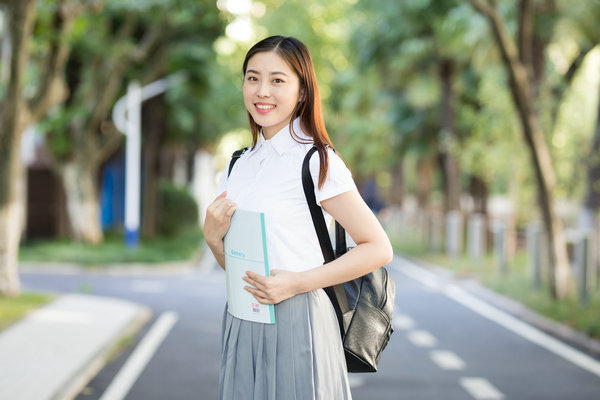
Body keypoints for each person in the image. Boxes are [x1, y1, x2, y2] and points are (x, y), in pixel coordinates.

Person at [203, 35, 393, 400]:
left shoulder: (317, 161)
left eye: (278, 80)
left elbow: (378, 248)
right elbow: (239, 267)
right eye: (253, 77)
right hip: (243, 318)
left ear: (302, 92)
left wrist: (296, 283)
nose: (262, 91)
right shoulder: (237, 166)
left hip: (300, 318)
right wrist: (213, 239)